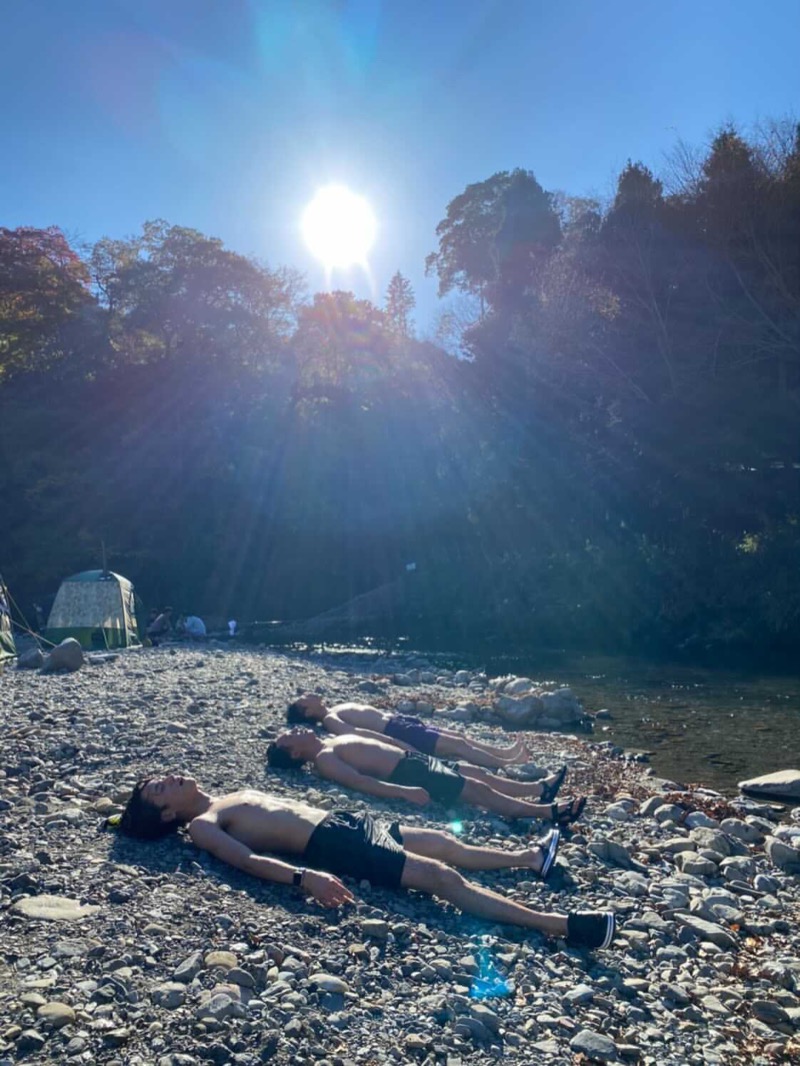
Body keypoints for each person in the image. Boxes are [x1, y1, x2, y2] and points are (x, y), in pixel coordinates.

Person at [117, 773, 615, 949]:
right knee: (439, 877)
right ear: (165, 812)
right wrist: (304, 877)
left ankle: (529, 858)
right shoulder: (204, 827)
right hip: (330, 847)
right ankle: (558, 925)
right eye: (162, 787)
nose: (172, 777)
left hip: (344, 822)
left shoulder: (222, 797)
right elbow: (245, 860)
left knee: (441, 840)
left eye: (164, 776)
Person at [267, 730, 583, 825]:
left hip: (413, 761)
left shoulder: (331, 741)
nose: (293, 730)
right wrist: (402, 792)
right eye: (287, 738)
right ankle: (548, 812)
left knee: (473, 773)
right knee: (477, 791)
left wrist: (410, 750)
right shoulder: (324, 759)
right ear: (295, 754)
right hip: (407, 773)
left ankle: (537, 790)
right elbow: (360, 783)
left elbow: (382, 743)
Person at [287, 694, 546, 774]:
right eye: (304, 700)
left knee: (458, 737)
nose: (310, 695)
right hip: (397, 731)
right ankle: (507, 766)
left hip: (401, 722)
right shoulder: (332, 719)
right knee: (456, 746)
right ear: (307, 712)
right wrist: (397, 744)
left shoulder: (334, 708)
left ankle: (503, 753)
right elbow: (361, 734)